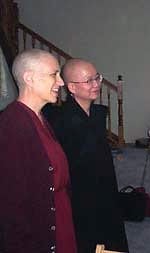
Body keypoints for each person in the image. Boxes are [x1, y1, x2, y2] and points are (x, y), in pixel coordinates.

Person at [44, 59, 129, 253]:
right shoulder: (63, 122)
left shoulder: (96, 115)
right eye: (89, 80)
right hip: (84, 201)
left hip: (106, 192)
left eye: (97, 78)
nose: (96, 84)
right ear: (71, 87)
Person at [0, 49, 77, 252]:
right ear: (30, 79)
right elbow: (11, 203)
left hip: (59, 216)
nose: (61, 82)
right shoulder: (12, 125)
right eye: (54, 74)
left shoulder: (39, 117)